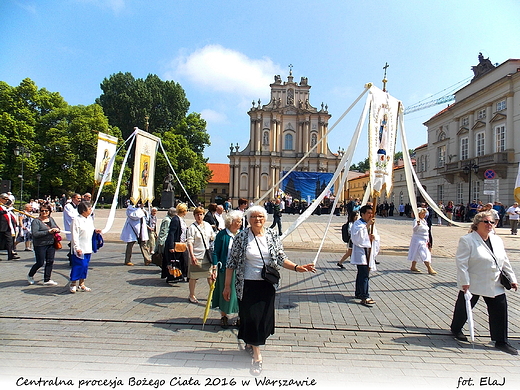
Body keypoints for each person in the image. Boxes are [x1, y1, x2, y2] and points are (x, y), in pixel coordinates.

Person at [223, 206, 315, 376]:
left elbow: (281, 257)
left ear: (265, 219)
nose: (257, 219)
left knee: (263, 319)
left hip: (267, 284)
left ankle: (251, 342)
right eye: (253, 217)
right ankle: (257, 356)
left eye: (260, 217)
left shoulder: (272, 236)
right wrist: (227, 286)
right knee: (252, 317)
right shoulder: (241, 237)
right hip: (247, 285)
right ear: (248, 219)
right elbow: (231, 263)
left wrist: (297, 267)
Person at [449, 211, 518, 355]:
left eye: (491, 222)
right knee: (464, 308)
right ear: (477, 224)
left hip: (494, 283)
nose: (489, 225)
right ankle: (456, 328)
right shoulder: (467, 240)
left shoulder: (497, 240)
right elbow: (461, 263)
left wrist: (512, 279)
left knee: (500, 310)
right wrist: (465, 282)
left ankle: (501, 341)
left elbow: (504, 260)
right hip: (474, 281)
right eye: (486, 222)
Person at [211, 210, 243, 328]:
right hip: (225, 268)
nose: (240, 223)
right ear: (231, 222)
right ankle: (224, 316)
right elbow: (216, 252)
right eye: (238, 221)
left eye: (240, 221)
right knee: (225, 292)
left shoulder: (242, 234)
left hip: (240, 270)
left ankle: (240, 316)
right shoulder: (222, 235)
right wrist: (214, 267)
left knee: (239, 294)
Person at [69, 201, 101, 293]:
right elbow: (74, 235)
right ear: (83, 210)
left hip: (88, 246)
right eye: (89, 208)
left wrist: (95, 231)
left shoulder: (89, 219)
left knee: (85, 266)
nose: (91, 210)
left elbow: (90, 230)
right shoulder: (76, 220)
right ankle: (73, 283)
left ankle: (82, 284)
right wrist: (77, 247)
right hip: (79, 247)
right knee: (78, 265)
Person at [351, 205, 379, 306]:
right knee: (364, 274)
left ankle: (359, 292)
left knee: (362, 274)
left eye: (371, 213)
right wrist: (367, 227)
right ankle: (365, 296)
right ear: (362, 214)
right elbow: (357, 237)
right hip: (361, 251)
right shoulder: (358, 223)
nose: (370, 215)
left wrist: (373, 238)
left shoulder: (371, 224)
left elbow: (375, 236)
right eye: (368, 213)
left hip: (368, 252)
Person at [186, 206, 216, 303]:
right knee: (193, 276)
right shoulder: (192, 228)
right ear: (194, 216)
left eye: (201, 214)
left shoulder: (207, 225)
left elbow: (212, 237)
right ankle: (191, 295)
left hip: (206, 255)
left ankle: (213, 294)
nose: (199, 216)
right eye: (197, 214)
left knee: (210, 275)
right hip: (196, 255)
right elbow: (189, 242)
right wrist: (192, 255)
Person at [27, 205, 61, 286]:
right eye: (42, 211)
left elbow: (57, 227)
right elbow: (35, 234)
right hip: (40, 244)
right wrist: (48, 232)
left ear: (49, 211)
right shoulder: (36, 221)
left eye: (46, 211)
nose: (44, 212)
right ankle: (30, 275)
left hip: (51, 243)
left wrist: (57, 229)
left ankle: (47, 279)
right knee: (40, 262)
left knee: (50, 261)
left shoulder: (51, 219)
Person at [120, 201, 152, 266]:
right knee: (130, 245)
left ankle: (147, 259)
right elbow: (135, 216)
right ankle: (127, 260)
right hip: (132, 230)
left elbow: (146, 216)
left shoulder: (141, 209)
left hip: (141, 229)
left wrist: (142, 209)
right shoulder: (130, 209)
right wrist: (140, 209)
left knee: (143, 244)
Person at [164, 203, 189, 283]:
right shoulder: (175, 219)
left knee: (183, 260)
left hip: (181, 244)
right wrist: (171, 246)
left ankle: (182, 275)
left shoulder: (181, 219)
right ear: (183, 211)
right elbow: (171, 233)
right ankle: (174, 276)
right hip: (176, 244)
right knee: (175, 261)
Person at [408, 208, 437, 275]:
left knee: (416, 253)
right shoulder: (416, 220)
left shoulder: (424, 221)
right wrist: (418, 225)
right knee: (424, 253)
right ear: (418, 214)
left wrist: (428, 240)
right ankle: (429, 268)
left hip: (424, 240)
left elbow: (426, 231)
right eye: (422, 214)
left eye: (424, 213)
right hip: (418, 240)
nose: (424, 215)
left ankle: (413, 266)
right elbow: (414, 230)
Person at [0, 193, 18, 261]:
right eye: (5, 199)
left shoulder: (5, 205)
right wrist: (6, 211)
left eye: (8, 199)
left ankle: (10, 255)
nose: (7, 200)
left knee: (9, 240)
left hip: (7, 226)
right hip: (1, 226)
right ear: (1, 198)